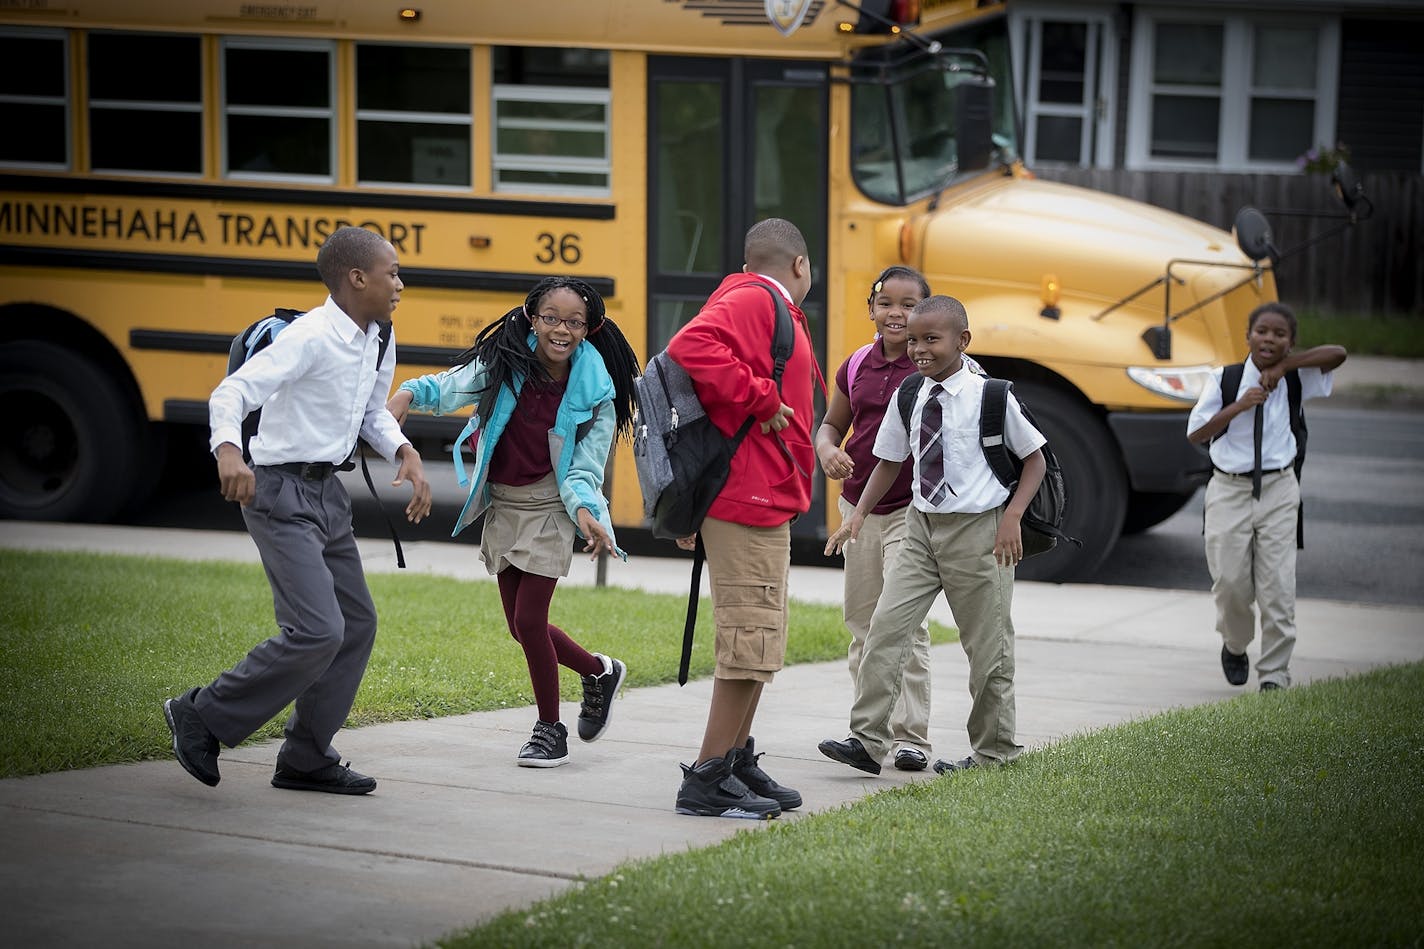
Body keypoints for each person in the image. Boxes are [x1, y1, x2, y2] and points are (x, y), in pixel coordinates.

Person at [163, 225, 433, 794]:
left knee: (356, 625)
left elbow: (368, 413)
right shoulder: (309, 337)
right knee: (316, 630)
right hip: (278, 492)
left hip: (328, 496)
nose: (400, 283)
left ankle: (306, 756)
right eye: (393, 273)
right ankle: (202, 713)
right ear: (357, 278)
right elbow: (231, 394)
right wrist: (230, 453)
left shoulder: (378, 335)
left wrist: (403, 451)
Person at [386, 277, 640, 767]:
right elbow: (453, 384)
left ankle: (550, 729)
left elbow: (586, 466)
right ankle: (599, 672)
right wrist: (407, 396)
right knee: (519, 628)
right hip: (504, 503)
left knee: (530, 619)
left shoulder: (596, 393)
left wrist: (587, 511)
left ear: (590, 328)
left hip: (551, 504)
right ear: (532, 318)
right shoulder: (505, 362)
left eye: (573, 322)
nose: (561, 330)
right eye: (551, 318)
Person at [818, 295, 1045, 777]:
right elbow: (890, 461)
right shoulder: (911, 394)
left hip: (979, 531)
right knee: (886, 628)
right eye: (915, 340)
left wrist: (1012, 519)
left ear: (962, 341)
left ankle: (994, 752)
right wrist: (858, 514)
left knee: (988, 650)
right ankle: (867, 739)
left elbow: (1035, 460)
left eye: (931, 340)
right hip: (921, 527)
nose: (919, 349)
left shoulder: (993, 395)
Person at [668, 217, 820, 820]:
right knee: (748, 638)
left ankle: (732, 761)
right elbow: (689, 347)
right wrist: (763, 399)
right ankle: (706, 777)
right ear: (800, 265)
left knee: (760, 638)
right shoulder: (757, 297)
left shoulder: (760, 300)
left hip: (764, 492)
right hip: (747, 494)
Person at [1186, 302, 1346, 691]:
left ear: (1291, 343)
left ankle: (1275, 675)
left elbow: (1338, 354)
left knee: (1278, 586)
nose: (1269, 339)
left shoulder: (1295, 377)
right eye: (1262, 331)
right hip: (1229, 488)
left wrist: (1284, 368)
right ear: (1248, 336)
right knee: (1230, 583)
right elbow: (1196, 433)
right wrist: (1240, 406)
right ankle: (1235, 644)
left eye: (1279, 334)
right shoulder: (1223, 379)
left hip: (1278, 487)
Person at [814, 266, 935, 773]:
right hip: (855, 510)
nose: (897, 313)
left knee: (902, 622)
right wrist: (825, 450)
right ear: (871, 308)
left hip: (912, 508)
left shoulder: (934, 366)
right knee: (863, 623)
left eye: (910, 306)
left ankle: (912, 739)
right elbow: (832, 424)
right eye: (887, 302)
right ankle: (869, 736)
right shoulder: (856, 364)